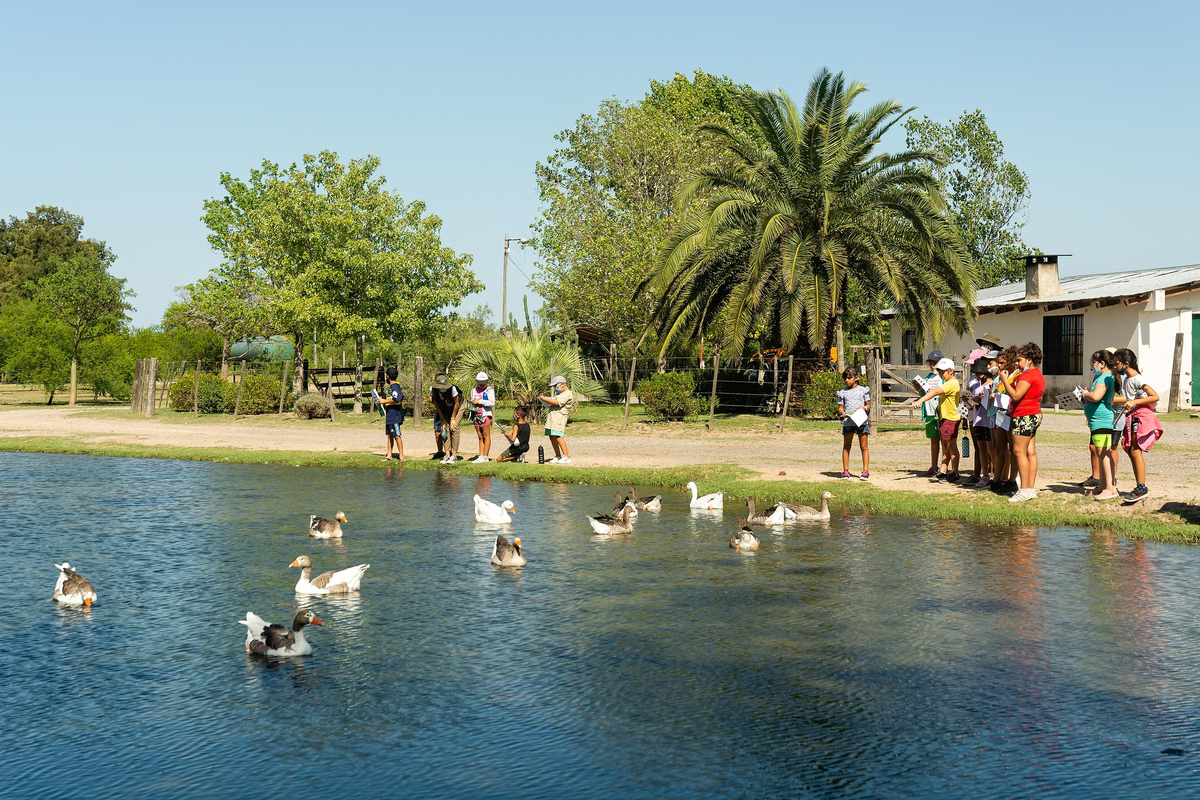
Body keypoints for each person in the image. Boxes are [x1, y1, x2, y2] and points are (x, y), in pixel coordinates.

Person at [1113, 348, 1162, 504]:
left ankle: (1141, 488)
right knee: (1131, 450)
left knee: (1135, 451)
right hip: (1131, 417)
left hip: (1139, 418)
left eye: (1117, 364)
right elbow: (1130, 397)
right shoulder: (1127, 379)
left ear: (1126, 363)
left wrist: (1134, 402)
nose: (1115, 367)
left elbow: (1155, 396)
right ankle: (1139, 486)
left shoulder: (1137, 379)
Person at [999, 342, 1045, 503]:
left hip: (1024, 416)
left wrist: (1004, 379)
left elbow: (1016, 395)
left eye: (1020, 360)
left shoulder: (1028, 375)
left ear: (1029, 359)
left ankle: (1024, 489)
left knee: (1018, 452)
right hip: (1033, 415)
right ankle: (1029, 488)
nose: (1017, 363)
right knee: (1030, 452)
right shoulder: (1036, 374)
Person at [915, 357, 962, 482]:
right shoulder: (948, 382)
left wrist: (921, 400)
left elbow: (936, 392)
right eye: (940, 372)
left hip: (950, 418)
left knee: (951, 445)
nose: (941, 375)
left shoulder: (951, 383)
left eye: (943, 372)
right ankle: (943, 470)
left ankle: (955, 471)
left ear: (951, 371)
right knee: (946, 445)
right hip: (945, 417)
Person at [1081, 350, 1119, 501]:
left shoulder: (1104, 378)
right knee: (1101, 452)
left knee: (1104, 453)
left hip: (1102, 420)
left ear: (1102, 363)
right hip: (1098, 420)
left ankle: (1110, 488)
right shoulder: (1108, 377)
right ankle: (1103, 485)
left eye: (1094, 364)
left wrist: (1085, 394)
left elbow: (1096, 397)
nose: (1093, 367)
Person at [836, 368, 871, 480]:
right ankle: (845, 471)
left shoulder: (863, 390)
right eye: (845, 378)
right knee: (846, 446)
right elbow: (841, 408)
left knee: (864, 446)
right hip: (848, 422)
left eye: (849, 378)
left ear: (856, 378)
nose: (847, 380)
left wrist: (864, 408)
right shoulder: (843, 392)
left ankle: (865, 471)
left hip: (861, 421)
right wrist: (844, 414)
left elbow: (868, 404)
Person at [916, 350, 944, 478]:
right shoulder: (927, 377)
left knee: (945, 442)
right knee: (933, 440)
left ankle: (945, 467)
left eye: (935, 363)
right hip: (930, 412)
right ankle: (933, 467)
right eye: (931, 363)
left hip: (941, 413)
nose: (933, 366)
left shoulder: (943, 378)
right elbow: (924, 394)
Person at [967, 358, 993, 488]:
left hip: (988, 420)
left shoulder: (991, 385)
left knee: (991, 448)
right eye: (976, 374)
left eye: (980, 374)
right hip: (978, 420)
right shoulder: (976, 386)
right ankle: (985, 475)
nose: (977, 377)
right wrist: (969, 400)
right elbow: (974, 401)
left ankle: (994, 474)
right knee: (981, 448)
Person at [540, 375, 574, 464]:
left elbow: (557, 402)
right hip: (552, 418)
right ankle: (558, 455)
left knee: (558, 436)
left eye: (556, 386)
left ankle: (566, 456)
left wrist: (544, 399)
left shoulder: (567, 393)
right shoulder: (560, 394)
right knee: (552, 436)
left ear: (563, 384)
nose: (555, 388)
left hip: (559, 418)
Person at [430, 373, 464, 463]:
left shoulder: (452, 389)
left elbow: (456, 403)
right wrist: (443, 419)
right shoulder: (434, 390)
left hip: (459, 407)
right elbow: (437, 405)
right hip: (444, 408)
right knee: (445, 428)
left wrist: (452, 418)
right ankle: (447, 454)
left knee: (454, 427)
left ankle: (454, 455)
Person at [379, 366, 406, 462]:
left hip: (395, 414)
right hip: (390, 414)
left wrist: (384, 401)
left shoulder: (395, 386)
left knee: (397, 435)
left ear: (387, 376)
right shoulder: (392, 387)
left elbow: (398, 398)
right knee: (390, 435)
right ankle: (389, 455)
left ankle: (401, 456)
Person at [469, 371, 496, 463]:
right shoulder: (473, 390)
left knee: (486, 435)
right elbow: (473, 399)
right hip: (476, 415)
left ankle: (485, 456)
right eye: (480, 384)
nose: (482, 385)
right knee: (480, 436)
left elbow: (492, 403)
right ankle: (481, 455)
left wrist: (480, 402)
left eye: (483, 383)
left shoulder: (489, 390)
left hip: (485, 415)